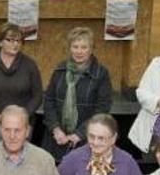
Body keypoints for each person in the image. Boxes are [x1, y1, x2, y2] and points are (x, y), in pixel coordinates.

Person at [42, 27, 112, 161]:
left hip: (87, 139)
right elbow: (49, 100)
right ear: (70, 48)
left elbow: (102, 109)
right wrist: (56, 129)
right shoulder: (60, 69)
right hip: (56, 139)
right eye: (75, 47)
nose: (79, 51)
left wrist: (79, 134)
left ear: (91, 49)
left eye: (84, 47)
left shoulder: (101, 73)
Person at [0, 22, 43, 147]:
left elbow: (37, 95)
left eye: (18, 41)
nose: (15, 44)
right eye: (10, 40)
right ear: (0, 42)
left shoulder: (30, 64)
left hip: (22, 124)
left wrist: (23, 116)